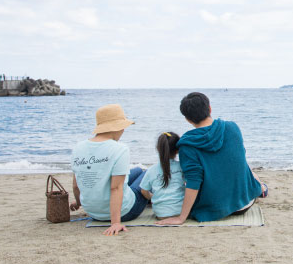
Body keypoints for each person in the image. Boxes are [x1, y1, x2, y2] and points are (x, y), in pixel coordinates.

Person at [156, 92, 267, 225]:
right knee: (251, 173)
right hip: (245, 204)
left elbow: (193, 182)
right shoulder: (232, 127)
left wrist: (181, 218)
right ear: (209, 108)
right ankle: (261, 189)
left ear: (187, 119)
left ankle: (261, 188)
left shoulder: (187, 145)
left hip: (214, 210)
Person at [70, 104, 147, 235]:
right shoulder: (120, 149)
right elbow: (115, 188)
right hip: (125, 212)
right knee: (145, 173)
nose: (123, 130)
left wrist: (78, 203)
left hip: (93, 212)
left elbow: (76, 186)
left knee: (137, 170)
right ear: (116, 127)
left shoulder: (78, 148)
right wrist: (115, 223)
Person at [140, 132, 185, 219]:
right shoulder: (182, 167)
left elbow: (143, 191)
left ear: (158, 149)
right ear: (178, 150)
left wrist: (152, 197)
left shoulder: (151, 170)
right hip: (181, 211)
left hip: (161, 213)